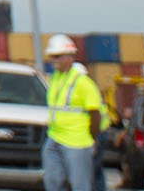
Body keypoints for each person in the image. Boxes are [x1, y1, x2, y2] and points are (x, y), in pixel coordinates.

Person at [41, 33, 107, 191]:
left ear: (69, 57)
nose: (53, 61)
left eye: (57, 56)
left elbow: (95, 114)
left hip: (77, 141)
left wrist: (92, 139)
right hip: (54, 136)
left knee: (80, 185)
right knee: (52, 180)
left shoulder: (83, 83)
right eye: (51, 56)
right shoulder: (56, 79)